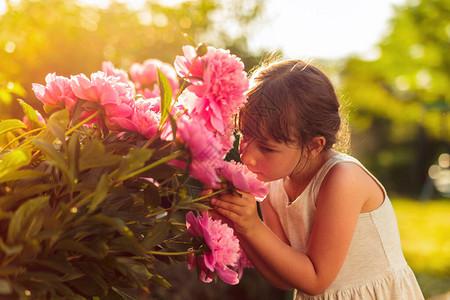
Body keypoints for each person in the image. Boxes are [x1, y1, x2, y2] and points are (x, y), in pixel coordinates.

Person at [207, 60, 424, 299]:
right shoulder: (271, 184)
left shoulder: (342, 178)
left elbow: (315, 279)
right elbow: (284, 276)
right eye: (244, 135)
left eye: (267, 148)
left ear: (313, 145)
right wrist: (239, 224)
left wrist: (252, 226)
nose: (247, 154)